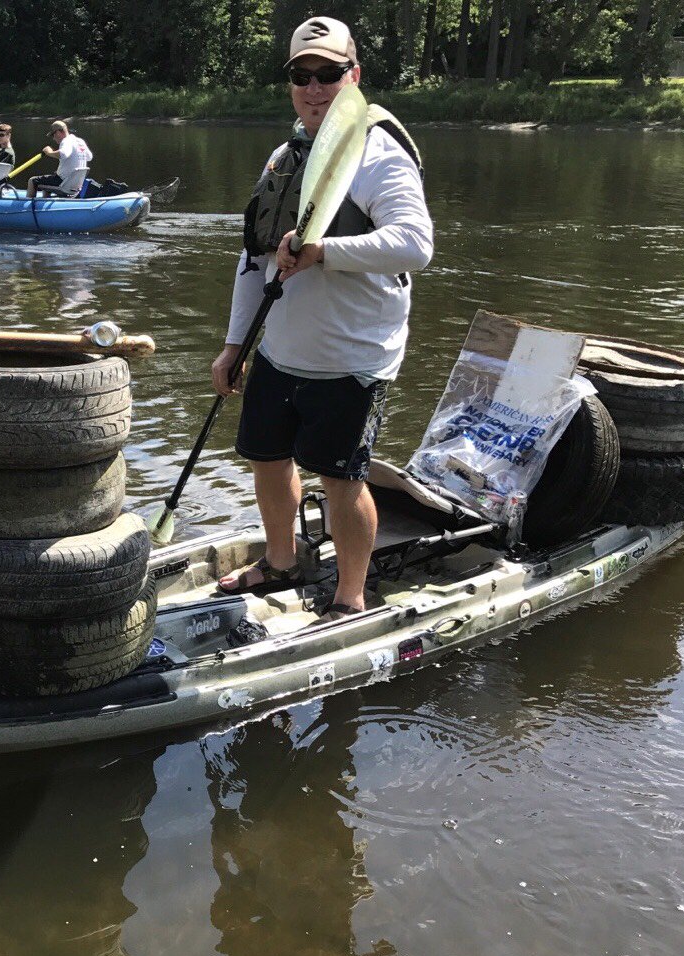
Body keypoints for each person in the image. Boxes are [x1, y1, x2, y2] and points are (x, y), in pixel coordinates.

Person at [213, 16, 434, 623]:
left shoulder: (379, 155)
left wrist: (324, 252)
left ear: (353, 76)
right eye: (301, 75)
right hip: (280, 349)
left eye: (329, 74)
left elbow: (416, 244)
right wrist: (235, 346)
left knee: (341, 479)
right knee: (266, 458)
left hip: (353, 357)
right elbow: (253, 258)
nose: (314, 88)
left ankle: (349, 595)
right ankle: (282, 563)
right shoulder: (284, 158)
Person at [29, 120, 93, 197]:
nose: (53, 138)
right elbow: (89, 157)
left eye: (53, 135)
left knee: (32, 180)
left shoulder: (66, 141)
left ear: (58, 132)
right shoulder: (79, 141)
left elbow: (63, 154)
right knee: (49, 179)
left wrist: (49, 152)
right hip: (76, 184)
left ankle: (28, 207)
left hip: (63, 182)